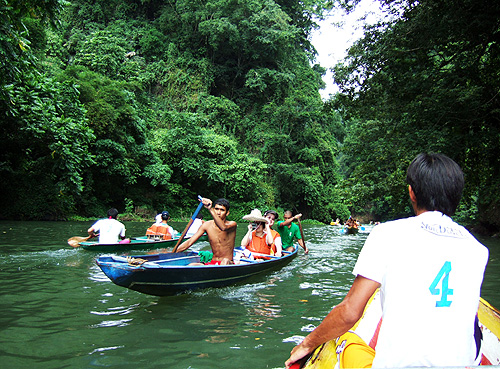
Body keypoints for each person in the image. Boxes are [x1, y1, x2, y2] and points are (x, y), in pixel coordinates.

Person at [285, 153, 489, 369]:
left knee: (348, 341)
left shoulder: (387, 233)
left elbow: (349, 313)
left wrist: (306, 344)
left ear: (412, 193)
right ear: (456, 195)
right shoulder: (477, 249)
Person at [175, 198, 237, 265]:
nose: (218, 213)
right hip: (213, 262)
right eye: (216, 209)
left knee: (225, 261)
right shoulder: (207, 225)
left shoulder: (232, 224)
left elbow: (223, 227)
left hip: (228, 262)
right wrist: (175, 251)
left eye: (222, 210)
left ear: (227, 213)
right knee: (191, 265)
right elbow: (190, 241)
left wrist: (210, 209)